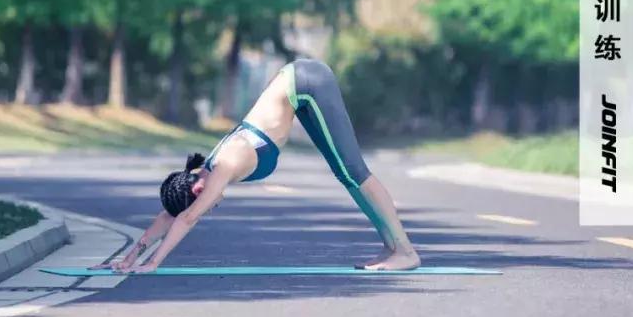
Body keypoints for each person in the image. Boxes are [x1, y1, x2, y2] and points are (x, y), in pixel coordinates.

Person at [92, 58, 420, 273]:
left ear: (197, 188)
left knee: (354, 171)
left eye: (208, 204)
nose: (212, 207)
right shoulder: (202, 172)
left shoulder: (222, 167)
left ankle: (405, 251)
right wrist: (132, 255)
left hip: (307, 84)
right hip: (298, 88)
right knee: (344, 174)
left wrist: (154, 264)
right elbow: (172, 214)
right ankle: (392, 247)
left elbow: (188, 217)